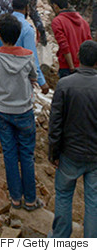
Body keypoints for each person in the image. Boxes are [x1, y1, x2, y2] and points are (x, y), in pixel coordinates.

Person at [0, 15, 42, 212]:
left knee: (9, 154)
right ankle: (31, 200)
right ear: (18, 35)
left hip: (2, 111)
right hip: (24, 111)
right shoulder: (27, 56)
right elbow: (33, 76)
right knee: (26, 155)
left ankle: (16, 199)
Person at [47, 40, 97, 239]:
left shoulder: (65, 84)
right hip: (95, 156)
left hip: (69, 154)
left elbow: (55, 123)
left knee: (64, 195)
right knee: (93, 200)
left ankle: (60, 237)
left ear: (78, 58)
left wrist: (54, 152)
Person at [0, 0, 49, 94]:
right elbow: (31, 58)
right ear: (27, 7)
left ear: (12, 5)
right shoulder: (27, 29)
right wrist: (42, 82)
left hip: (3, 77)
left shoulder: (1, 25)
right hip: (21, 79)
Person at [49, 0, 92, 78]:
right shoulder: (83, 21)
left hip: (67, 67)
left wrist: (71, 66)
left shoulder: (58, 21)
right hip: (83, 66)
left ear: (55, 6)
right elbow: (89, 44)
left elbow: (64, 45)